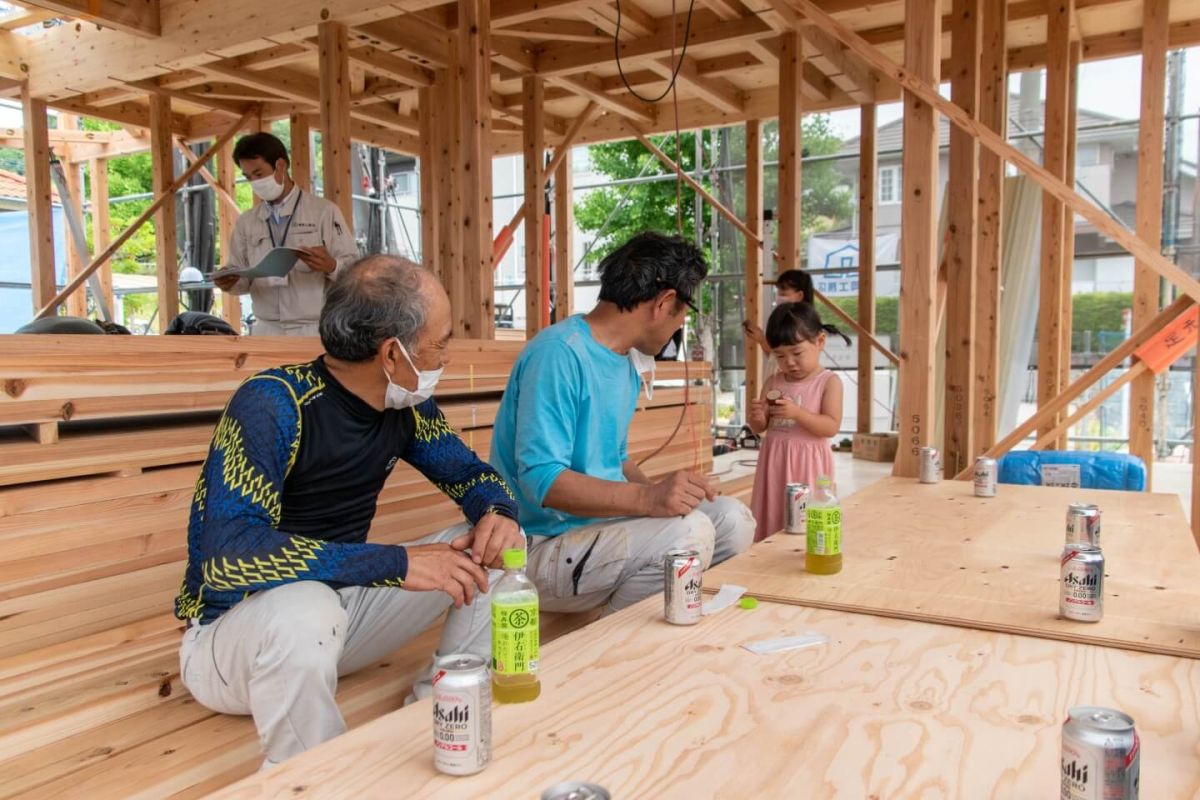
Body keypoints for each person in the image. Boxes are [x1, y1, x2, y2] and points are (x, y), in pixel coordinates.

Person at [176, 255, 524, 768]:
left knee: (495, 550)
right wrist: (397, 563)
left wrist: (499, 511)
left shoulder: (405, 407)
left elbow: (471, 476)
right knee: (303, 609)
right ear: (392, 352)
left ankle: (442, 710)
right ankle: (313, 777)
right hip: (237, 645)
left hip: (336, 620)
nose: (446, 357)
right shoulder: (274, 403)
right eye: (441, 342)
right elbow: (228, 557)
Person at [490, 231, 755, 616]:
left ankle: (636, 610)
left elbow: (615, 458)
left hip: (596, 534)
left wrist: (664, 496)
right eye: (684, 312)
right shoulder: (559, 354)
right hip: (539, 548)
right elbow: (541, 480)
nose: (680, 325)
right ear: (665, 303)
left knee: (732, 520)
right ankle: (612, 641)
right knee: (689, 534)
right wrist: (649, 500)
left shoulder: (624, 361)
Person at [213, 133, 358, 336]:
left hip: (314, 329)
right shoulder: (246, 222)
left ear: (281, 165)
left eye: (259, 174)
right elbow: (242, 280)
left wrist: (331, 266)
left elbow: (354, 271)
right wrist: (230, 282)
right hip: (266, 329)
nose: (255, 182)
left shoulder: (324, 211)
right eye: (248, 177)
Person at [747, 302, 848, 542]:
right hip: (775, 461)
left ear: (819, 342)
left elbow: (831, 426)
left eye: (797, 353)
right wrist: (757, 418)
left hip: (809, 464)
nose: (789, 362)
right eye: (780, 356)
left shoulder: (829, 382)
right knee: (773, 513)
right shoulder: (773, 381)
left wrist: (797, 413)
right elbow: (761, 427)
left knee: (806, 520)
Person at [742, 268, 814, 356]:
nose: (778, 298)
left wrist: (762, 340)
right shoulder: (786, 318)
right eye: (778, 294)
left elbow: (779, 358)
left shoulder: (799, 323)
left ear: (800, 295)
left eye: (783, 294)